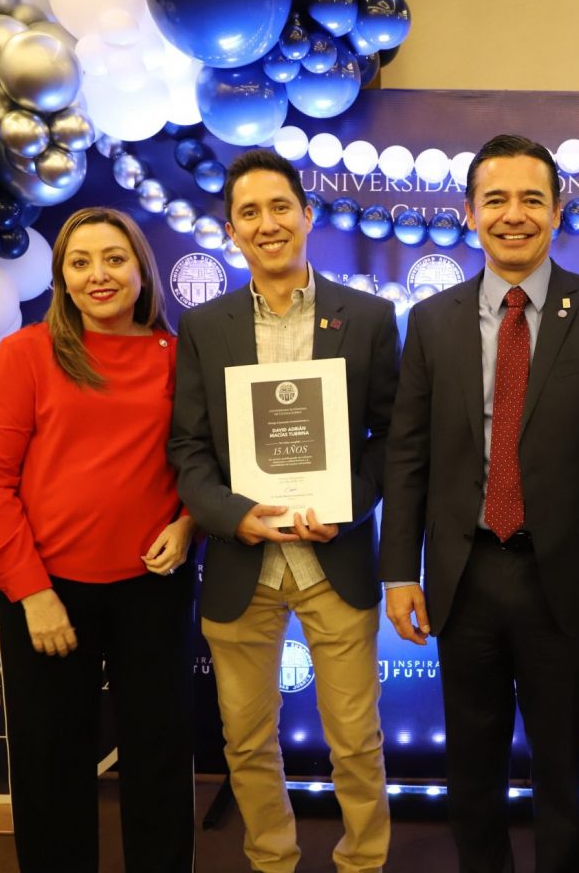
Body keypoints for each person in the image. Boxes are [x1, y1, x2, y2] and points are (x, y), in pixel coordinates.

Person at [379, 134, 579, 873]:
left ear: (557, 212)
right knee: (472, 769)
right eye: (495, 200)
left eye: (532, 199)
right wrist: (399, 571)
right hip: (464, 576)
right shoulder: (431, 320)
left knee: (561, 770)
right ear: (470, 213)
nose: (514, 215)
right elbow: (407, 455)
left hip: (565, 580)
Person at [168, 149, 399, 873]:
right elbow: (188, 447)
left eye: (279, 207)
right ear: (230, 231)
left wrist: (346, 505)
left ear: (307, 214)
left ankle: (363, 861)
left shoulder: (368, 317)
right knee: (245, 740)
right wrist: (230, 514)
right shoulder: (204, 326)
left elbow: (392, 436)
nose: (266, 224)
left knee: (355, 740)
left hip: (335, 556)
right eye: (249, 213)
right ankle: (272, 861)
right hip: (243, 562)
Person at [0, 207, 195, 873]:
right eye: (80, 262)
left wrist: (189, 523)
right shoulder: (27, 353)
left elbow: (204, 459)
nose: (99, 274)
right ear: (62, 278)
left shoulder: (178, 356)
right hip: (48, 592)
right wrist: (32, 592)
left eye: (114, 259)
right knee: (50, 766)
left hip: (153, 586)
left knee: (158, 759)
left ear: (141, 270)